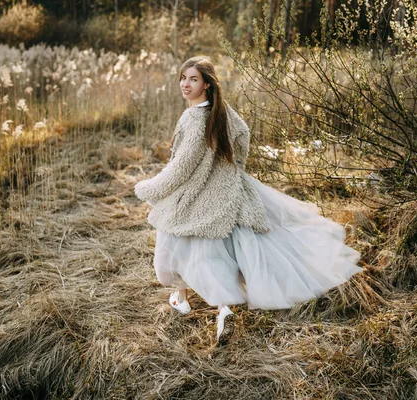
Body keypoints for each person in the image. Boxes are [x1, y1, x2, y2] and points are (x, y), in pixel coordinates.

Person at [134, 56, 362, 344]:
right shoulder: (222, 111)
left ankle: (194, 299)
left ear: (206, 84)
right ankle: (216, 306)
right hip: (227, 190)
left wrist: (149, 188)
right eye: (183, 77)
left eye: (193, 79)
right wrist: (233, 169)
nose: (185, 84)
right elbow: (243, 134)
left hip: (198, 193)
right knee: (221, 248)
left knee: (177, 243)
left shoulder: (193, 118)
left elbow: (182, 167)